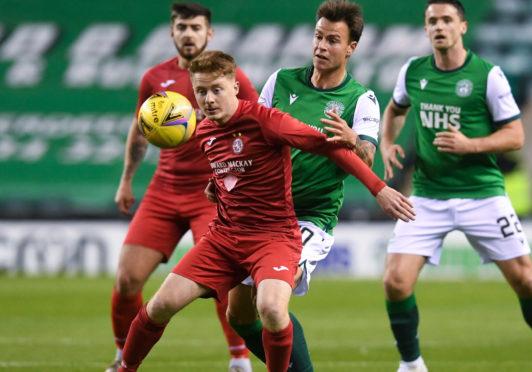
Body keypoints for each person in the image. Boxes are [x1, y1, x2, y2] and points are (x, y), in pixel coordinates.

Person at [116, 50, 415, 372]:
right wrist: (219, 183)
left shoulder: (267, 120)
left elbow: (329, 147)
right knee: (161, 305)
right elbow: (232, 167)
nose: (209, 99)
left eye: (216, 89)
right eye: (201, 91)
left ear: (234, 86)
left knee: (271, 308)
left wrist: (379, 189)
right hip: (224, 237)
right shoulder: (202, 131)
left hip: (273, 237)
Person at [379, 1, 532, 372]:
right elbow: (395, 109)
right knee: (395, 280)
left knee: (524, 279)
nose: (439, 26)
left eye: (447, 20)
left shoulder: (488, 76)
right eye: (432, 21)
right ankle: (411, 365)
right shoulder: (413, 71)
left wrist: (471, 145)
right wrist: (387, 142)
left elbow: (516, 135)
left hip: (482, 195)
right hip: (427, 195)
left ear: (463, 27)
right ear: (426, 29)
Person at [224, 1, 379, 371]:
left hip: (310, 218)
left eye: (333, 40)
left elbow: (368, 158)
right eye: (318, 36)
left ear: (351, 47)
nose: (321, 46)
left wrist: (350, 140)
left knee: (272, 303)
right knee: (238, 316)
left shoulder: (361, 99)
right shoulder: (280, 81)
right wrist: (227, 177)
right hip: (264, 213)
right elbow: (252, 135)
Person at [107, 3, 257, 372]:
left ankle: (239, 361)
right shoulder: (155, 78)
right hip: (163, 190)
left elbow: (258, 123)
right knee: (127, 279)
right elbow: (140, 127)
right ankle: (124, 356)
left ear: (210, 33)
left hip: (212, 192)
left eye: (195, 27)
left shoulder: (231, 76)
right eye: (181, 27)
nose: (188, 33)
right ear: (172, 32)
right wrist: (127, 179)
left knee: (225, 280)